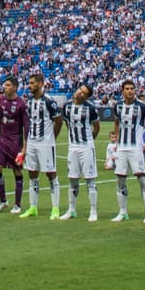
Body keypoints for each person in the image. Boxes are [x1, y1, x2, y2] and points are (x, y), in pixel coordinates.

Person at [109, 79, 145, 224]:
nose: (130, 91)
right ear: (122, 91)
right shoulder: (118, 106)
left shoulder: (142, 106)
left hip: (136, 148)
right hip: (122, 148)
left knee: (142, 179)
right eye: (127, 88)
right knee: (120, 180)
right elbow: (117, 123)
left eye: (132, 88)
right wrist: (116, 142)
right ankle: (123, 212)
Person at [19, 72, 63, 220]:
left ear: (40, 84)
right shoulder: (29, 101)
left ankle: (55, 209)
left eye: (32, 83)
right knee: (32, 173)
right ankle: (33, 207)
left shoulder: (49, 101)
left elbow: (58, 120)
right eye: (29, 83)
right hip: (32, 142)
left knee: (50, 173)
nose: (29, 86)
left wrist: (52, 138)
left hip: (45, 142)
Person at [60, 83, 99, 222]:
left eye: (84, 92)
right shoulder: (66, 106)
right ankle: (71, 210)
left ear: (87, 97)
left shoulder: (91, 109)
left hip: (86, 146)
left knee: (90, 179)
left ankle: (93, 211)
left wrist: (89, 141)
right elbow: (66, 124)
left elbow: (96, 127)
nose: (80, 93)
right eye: (80, 90)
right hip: (73, 147)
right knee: (72, 179)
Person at [0, 76, 27, 214]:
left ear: (15, 87)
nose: (4, 87)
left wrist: (24, 147)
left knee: (17, 171)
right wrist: (0, 139)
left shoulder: (21, 105)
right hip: (3, 141)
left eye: (7, 85)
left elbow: (26, 127)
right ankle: (3, 200)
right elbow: (0, 121)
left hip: (15, 143)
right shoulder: (1, 101)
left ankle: (17, 204)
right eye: (4, 85)